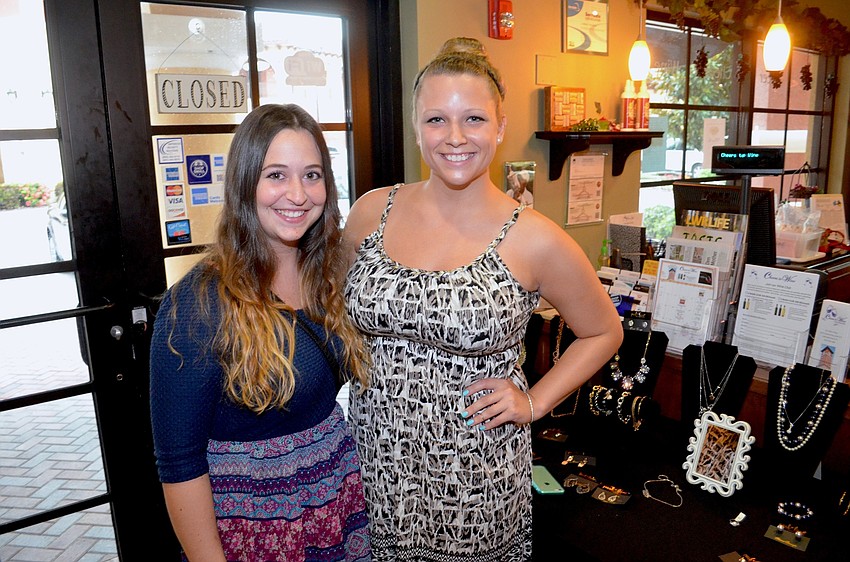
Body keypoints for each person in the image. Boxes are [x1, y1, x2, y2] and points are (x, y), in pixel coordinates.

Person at [342, 37, 623, 561]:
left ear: (499, 126)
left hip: (473, 479)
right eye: (436, 120)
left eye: (473, 119)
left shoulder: (536, 238)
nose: (454, 138)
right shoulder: (370, 212)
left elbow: (604, 331)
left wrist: (535, 401)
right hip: (372, 459)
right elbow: (329, 306)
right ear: (415, 127)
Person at [150, 104, 372, 561]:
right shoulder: (196, 307)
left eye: (312, 175)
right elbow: (179, 466)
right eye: (276, 175)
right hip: (261, 526)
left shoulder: (331, 272)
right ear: (244, 183)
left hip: (336, 501)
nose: (298, 193)